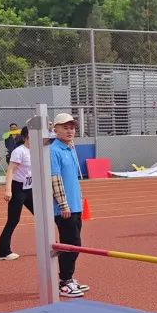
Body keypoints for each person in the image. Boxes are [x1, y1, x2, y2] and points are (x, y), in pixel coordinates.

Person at [50, 113, 89, 298]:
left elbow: (72, 179)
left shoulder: (70, 148)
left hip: (75, 205)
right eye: (65, 127)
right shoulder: (54, 151)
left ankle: (68, 278)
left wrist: (78, 200)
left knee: (74, 244)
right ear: (55, 129)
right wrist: (63, 205)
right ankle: (64, 281)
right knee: (71, 244)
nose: (70, 131)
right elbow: (55, 180)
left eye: (72, 127)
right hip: (65, 209)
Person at [0, 132, 34, 261]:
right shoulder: (19, 151)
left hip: (29, 188)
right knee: (13, 220)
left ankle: (48, 244)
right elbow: (10, 170)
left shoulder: (36, 151)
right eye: (32, 136)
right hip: (18, 189)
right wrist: (8, 190)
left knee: (42, 216)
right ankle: (2, 251)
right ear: (26, 138)